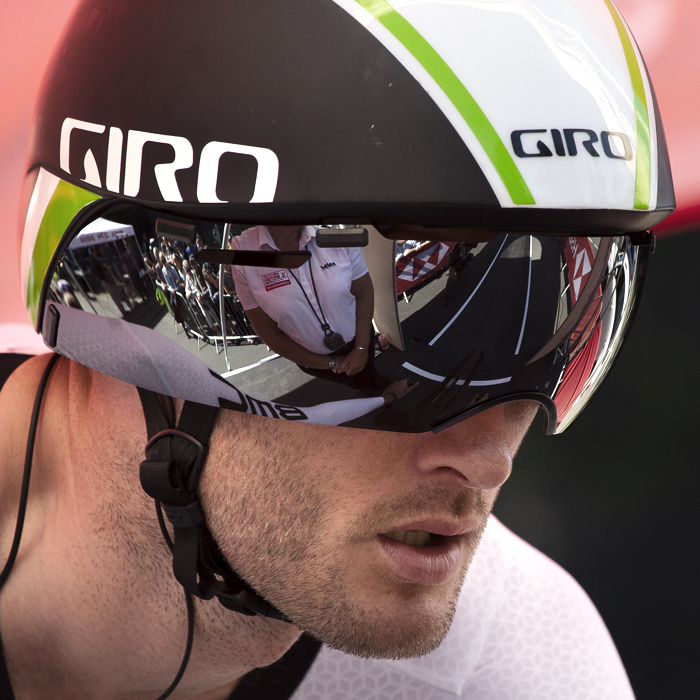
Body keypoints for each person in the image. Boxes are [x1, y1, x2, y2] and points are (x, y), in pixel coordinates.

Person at [0, 1, 675, 699]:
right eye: (390, 356)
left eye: (559, 345)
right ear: (176, 287)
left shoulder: (512, 666)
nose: (487, 460)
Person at [230, 224, 389, 394]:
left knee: (369, 377)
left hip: (360, 339)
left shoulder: (334, 236)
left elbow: (363, 293)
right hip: (313, 361)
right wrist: (331, 364)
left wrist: (362, 348)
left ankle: (376, 389)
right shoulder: (243, 253)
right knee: (357, 386)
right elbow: (270, 335)